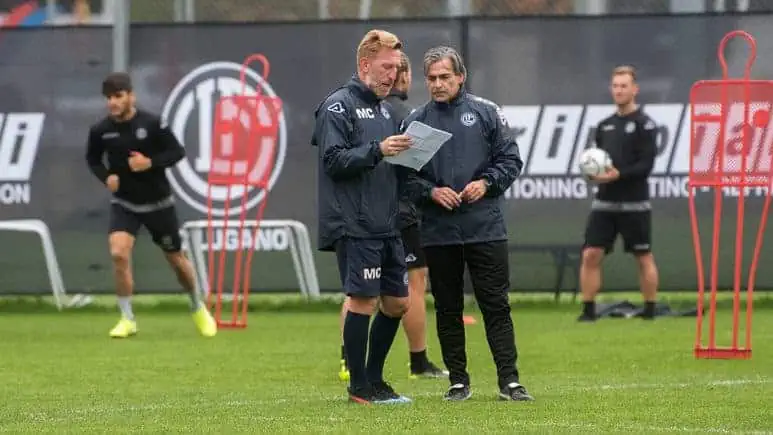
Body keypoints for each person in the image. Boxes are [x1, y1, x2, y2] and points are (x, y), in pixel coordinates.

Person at [402, 46, 534, 402]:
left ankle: (509, 380)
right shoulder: (415, 123)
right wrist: (431, 193)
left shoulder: (487, 113)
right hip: (439, 231)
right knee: (447, 308)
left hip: (485, 227)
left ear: (461, 77)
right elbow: (404, 179)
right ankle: (458, 381)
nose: (438, 84)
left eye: (445, 77)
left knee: (496, 304)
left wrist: (486, 183)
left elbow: (511, 161)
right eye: (431, 78)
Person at [311, 29, 414, 405]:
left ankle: (374, 379)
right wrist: (379, 149)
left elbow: (392, 164)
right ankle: (359, 387)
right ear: (365, 64)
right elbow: (334, 160)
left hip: (387, 223)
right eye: (386, 66)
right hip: (354, 223)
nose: (393, 74)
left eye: (397, 67)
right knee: (362, 301)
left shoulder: (390, 110)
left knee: (398, 303)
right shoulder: (337, 106)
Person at [337, 52, 448, 383]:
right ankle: (417, 360)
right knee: (406, 284)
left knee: (361, 292)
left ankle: (351, 363)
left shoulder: (367, 110)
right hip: (395, 213)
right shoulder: (400, 113)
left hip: (369, 213)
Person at [85, 72, 217, 339]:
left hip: (158, 204)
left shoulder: (153, 123)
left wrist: (150, 163)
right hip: (125, 204)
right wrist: (106, 176)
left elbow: (176, 152)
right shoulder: (100, 130)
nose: (113, 102)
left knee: (177, 262)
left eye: (118, 96)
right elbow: (93, 159)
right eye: (109, 98)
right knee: (119, 253)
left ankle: (197, 306)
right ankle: (127, 319)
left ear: (131, 96)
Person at [578, 65, 660, 322]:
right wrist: (595, 174)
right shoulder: (605, 126)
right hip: (605, 203)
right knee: (591, 253)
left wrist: (618, 174)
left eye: (624, 86)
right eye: (615, 86)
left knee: (643, 255)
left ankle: (649, 309)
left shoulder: (645, 125)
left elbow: (645, 166)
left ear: (634, 89)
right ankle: (588, 311)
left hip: (635, 203)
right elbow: (597, 162)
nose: (619, 90)